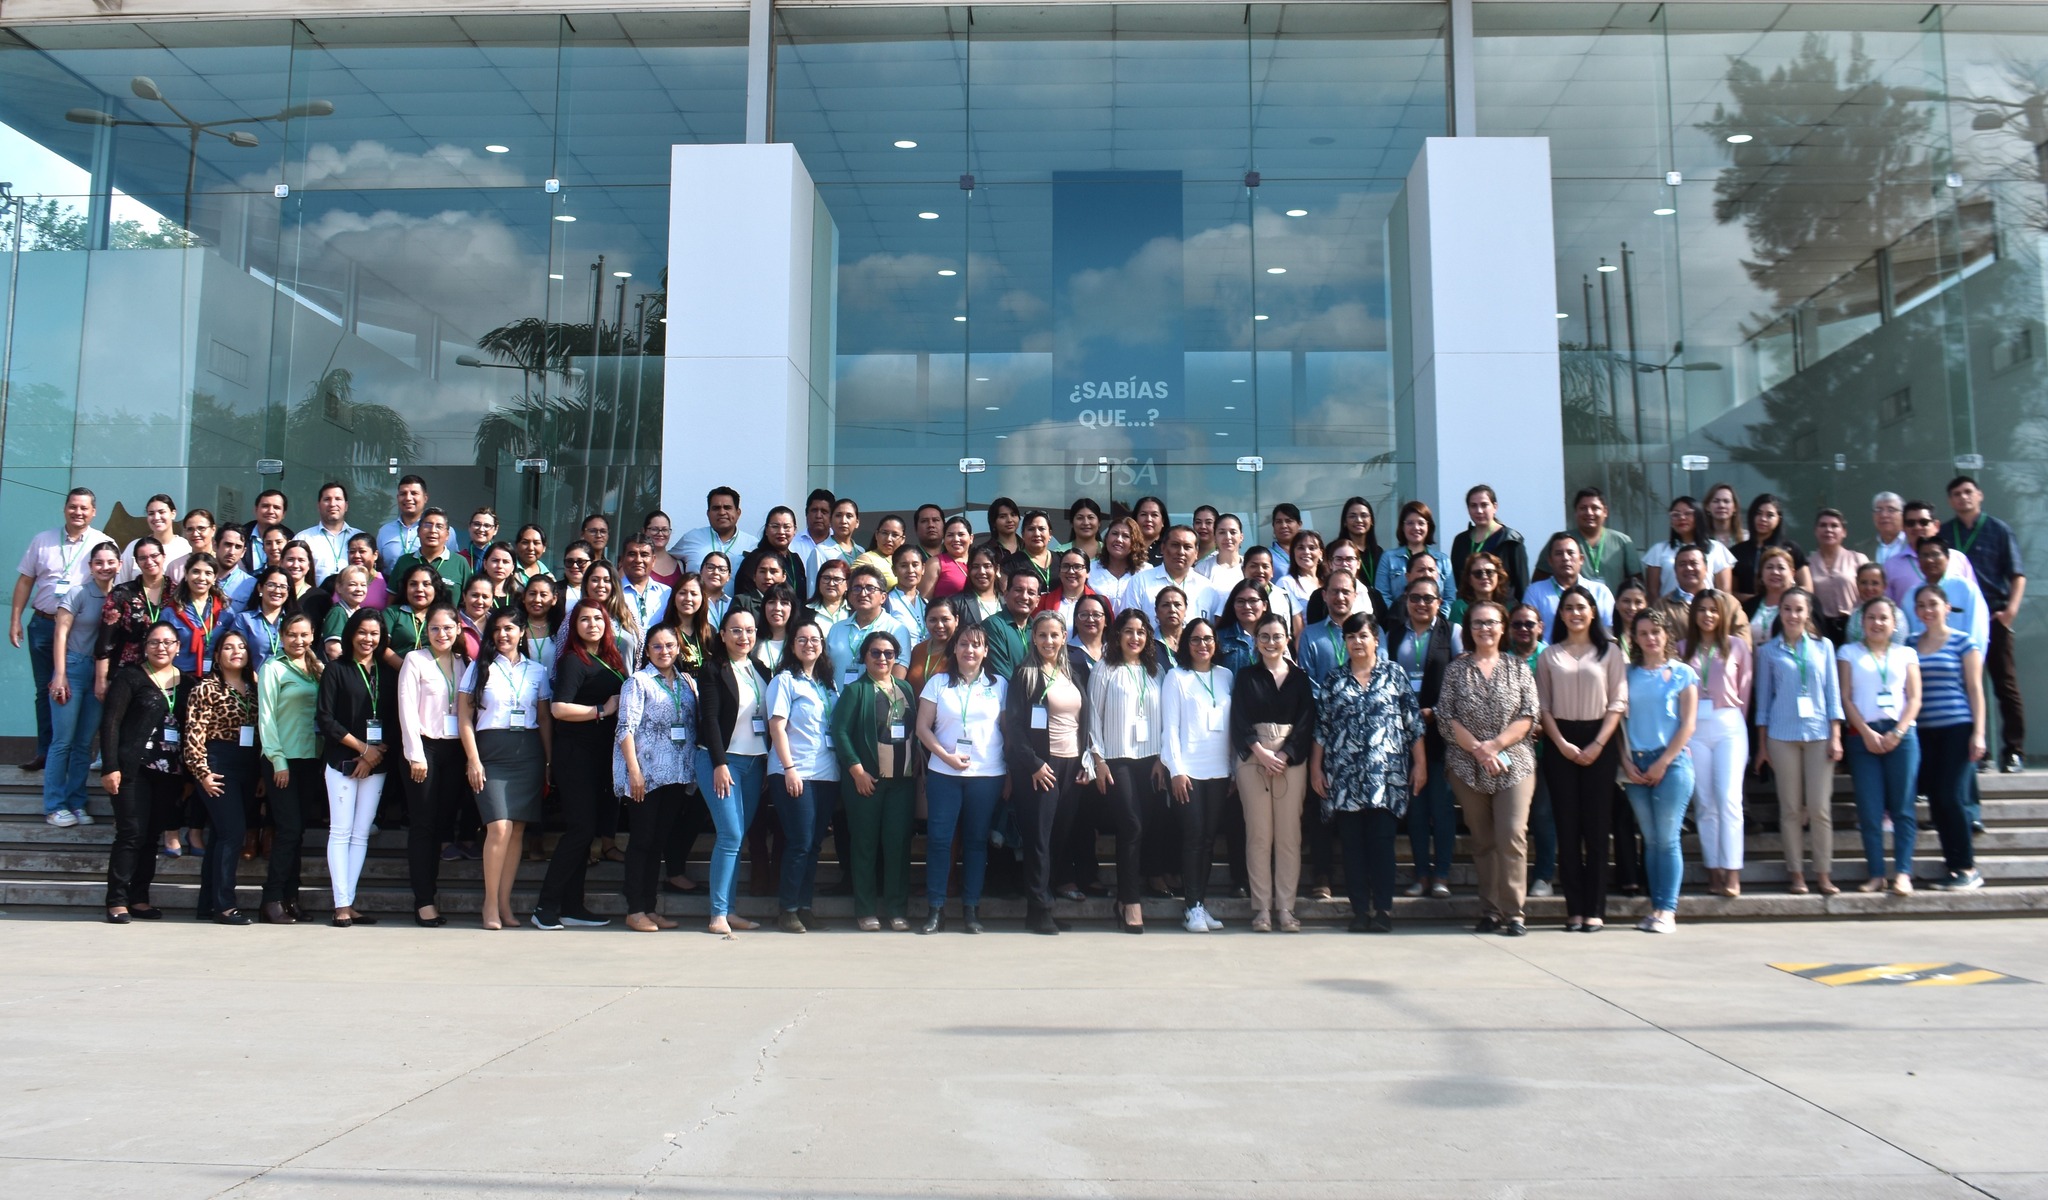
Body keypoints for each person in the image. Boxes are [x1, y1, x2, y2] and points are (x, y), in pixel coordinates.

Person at [1311, 612, 1423, 933]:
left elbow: (1413, 724)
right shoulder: (1334, 680)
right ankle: (1360, 911)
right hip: (1344, 778)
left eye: (1363, 636)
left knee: (1381, 845)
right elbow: (1322, 728)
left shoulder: (1395, 675)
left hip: (1386, 778)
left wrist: (1421, 764)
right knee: (1352, 847)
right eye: (1351, 637)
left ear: (1376, 639)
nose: (1357, 642)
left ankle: (1383, 911)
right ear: (1344, 642)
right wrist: (1316, 769)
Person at [1438, 600, 1541, 936]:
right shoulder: (1456, 670)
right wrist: (1480, 752)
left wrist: (1495, 746)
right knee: (1482, 840)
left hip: (1515, 764)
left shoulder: (1518, 667)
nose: (1485, 628)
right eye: (1478, 623)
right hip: (1467, 766)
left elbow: (1529, 715)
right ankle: (1490, 910)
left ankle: (1514, 913)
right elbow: (1445, 717)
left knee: (1511, 834)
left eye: (1491, 622)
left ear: (1503, 627)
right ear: (1469, 629)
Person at [1537, 586, 1627, 931]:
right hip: (1560, 744)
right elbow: (1543, 705)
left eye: (1581, 607)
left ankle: (1595, 907)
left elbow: (1618, 702)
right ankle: (1574, 908)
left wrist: (1599, 744)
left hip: (1599, 741)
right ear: (1560, 615)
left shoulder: (1610, 653)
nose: (1575, 613)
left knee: (1596, 826)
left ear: (1593, 613)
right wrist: (1559, 742)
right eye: (1568, 607)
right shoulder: (1550, 655)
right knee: (1568, 827)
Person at [533, 601, 626, 930]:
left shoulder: (612, 657)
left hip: (601, 756)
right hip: (575, 755)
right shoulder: (573, 660)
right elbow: (559, 709)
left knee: (589, 835)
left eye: (597, 619)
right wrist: (601, 710)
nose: (592, 625)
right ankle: (546, 906)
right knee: (580, 830)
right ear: (574, 626)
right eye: (584, 619)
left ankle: (573, 906)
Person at [460, 608, 552, 930]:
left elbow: (543, 720)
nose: (503, 635)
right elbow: (464, 719)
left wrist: (549, 761)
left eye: (510, 628)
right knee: (498, 827)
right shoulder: (477, 669)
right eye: (497, 629)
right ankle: (488, 904)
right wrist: (473, 759)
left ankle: (504, 904)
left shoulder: (538, 671)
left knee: (517, 832)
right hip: (491, 753)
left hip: (527, 752)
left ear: (522, 631)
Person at [1002, 610, 1092, 935]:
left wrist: (1086, 761)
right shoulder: (1024, 674)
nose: (1048, 641)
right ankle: (1038, 910)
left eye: (1054, 635)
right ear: (1033, 638)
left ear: (1064, 637)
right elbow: (1013, 725)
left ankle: (1048, 901)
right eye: (1042, 635)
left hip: (1072, 764)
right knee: (1039, 840)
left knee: (1058, 838)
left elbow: (1084, 720)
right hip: (1041, 766)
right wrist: (1035, 764)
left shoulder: (1074, 672)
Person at [14, 487, 115, 769]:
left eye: (84, 508)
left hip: (81, 630)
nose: (78, 512)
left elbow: (110, 586)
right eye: (73, 506)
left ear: (94, 512)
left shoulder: (103, 543)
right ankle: (46, 752)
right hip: (44, 624)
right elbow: (25, 581)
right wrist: (15, 620)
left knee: (82, 689)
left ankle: (78, 751)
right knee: (45, 689)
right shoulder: (43, 540)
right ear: (65, 508)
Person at [1752, 588, 1843, 896]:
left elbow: (1833, 694)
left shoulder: (1824, 647)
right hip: (1781, 736)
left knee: (1819, 808)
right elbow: (1763, 703)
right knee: (1790, 808)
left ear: (1808, 613)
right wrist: (1762, 746)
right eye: (1787, 609)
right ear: (1781, 613)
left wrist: (1837, 735)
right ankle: (1797, 874)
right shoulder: (1768, 652)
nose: (1793, 615)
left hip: (1819, 734)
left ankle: (1823, 873)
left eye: (1799, 610)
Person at [915, 623, 1005, 934]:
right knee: (940, 841)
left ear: (985, 651)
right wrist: (946, 757)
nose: (969, 650)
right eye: (964, 644)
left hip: (987, 774)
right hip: (944, 774)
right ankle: (936, 909)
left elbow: (1007, 730)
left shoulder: (1000, 685)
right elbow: (922, 728)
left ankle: (971, 910)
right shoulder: (938, 683)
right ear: (954, 648)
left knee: (976, 842)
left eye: (976, 645)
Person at [1231, 611, 1316, 933]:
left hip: (1290, 761)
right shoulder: (1246, 676)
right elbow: (1238, 719)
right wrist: (1261, 752)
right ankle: (1262, 909)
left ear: (1287, 639)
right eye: (1264, 636)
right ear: (1256, 641)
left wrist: (1285, 753)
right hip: (1254, 758)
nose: (1270, 642)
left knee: (1288, 837)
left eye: (1277, 636)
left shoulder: (1300, 678)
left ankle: (1286, 908)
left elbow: (1307, 721)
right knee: (1259, 835)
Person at [99, 620, 187, 923]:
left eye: (168, 642)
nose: (161, 647)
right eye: (154, 642)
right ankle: (117, 900)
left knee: (151, 836)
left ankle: (139, 899)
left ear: (178, 647)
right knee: (131, 833)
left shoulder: (187, 683)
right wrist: (110, 767)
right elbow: (110, 723)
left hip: (169, 773)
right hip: (132, 769)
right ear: (145, 647)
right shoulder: (130, 677)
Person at [831, 629, 919, 931]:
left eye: (889, 654)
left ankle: (896, 909)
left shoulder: (905, 689)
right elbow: (839, 731)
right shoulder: (856, 690)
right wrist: (856, 770)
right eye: (876, 653)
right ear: (865, 657)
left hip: (901, 783)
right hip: (866, 782)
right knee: (865, 845)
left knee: (897, 846)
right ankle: (865, 909)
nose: (883, 658)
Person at [1087, 609, 1169, 933]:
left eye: (1141, 632)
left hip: (1150, 760)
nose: (1135, 637)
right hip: (1116, 759)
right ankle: (1130, 900)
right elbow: (1093, 716)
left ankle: (1125, 897)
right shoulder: (1104, 669)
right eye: (1128, 631)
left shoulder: (1156, 670)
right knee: (1131, 825)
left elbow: (1165, 717)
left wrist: (1163, 759)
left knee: (1145, 826)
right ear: (1117, 635)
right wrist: (1098, 759)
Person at [1837, 595, 1922, 896]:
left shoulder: (1907, 654)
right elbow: (1845, 697)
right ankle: (1876, 874)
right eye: (1871, 617)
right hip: (1863, 737)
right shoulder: (1848, 652)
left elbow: (1914, 698)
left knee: (1902, 809)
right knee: (1870, 811)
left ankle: (1903, 873)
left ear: (1894, 622)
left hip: (1902, 736)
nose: (1877, 623)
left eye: (1884, 617)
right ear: (1862, 622)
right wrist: (1866, 733)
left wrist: (1897, 732)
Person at [1621, 608, 1699, 934]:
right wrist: (1626, 762)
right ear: (1634, 639)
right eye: (1643, 633)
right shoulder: (1626, 674)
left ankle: (1668, 910)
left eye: (1656, 631)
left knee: (1667, 840)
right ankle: (1656, 907)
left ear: (1666, 634)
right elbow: (1619, 723)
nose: (1650, 638)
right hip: (1634, 763)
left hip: (1672, 761)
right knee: (1651, 841)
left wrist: (1663, 761)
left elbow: (1689, 724)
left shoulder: (1683, 673)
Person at [616, 624, 695, 931]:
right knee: (642, 840)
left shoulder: (686, 683)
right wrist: (633, 772)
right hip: (645, 775)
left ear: (678, 648)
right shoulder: (638, 681)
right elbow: (625, 728)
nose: (665, 652)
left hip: (675, 773)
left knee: (658, 842)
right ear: (647, 650)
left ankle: (650, 907)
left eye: (670, 645)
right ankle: (635, 908)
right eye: (657, 646)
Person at [1943, 476, 2026, 772]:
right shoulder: (1944, 533)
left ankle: (2013, 750)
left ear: (1980, 494)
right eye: (1956, 494)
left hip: (1994, 616)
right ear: (1950, 500)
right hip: (1958, 620)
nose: (1962, 497)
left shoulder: (1999, 530)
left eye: (1968, 492)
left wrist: (2010, 613)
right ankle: (1979, 752)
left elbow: (2017, 574)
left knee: (2005, 684)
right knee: (1965, 685)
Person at [316, 608, 392, 926]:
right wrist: (363, 750)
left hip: (378, 763)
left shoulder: (388, 672)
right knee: (341, 831)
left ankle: (350, 901)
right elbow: (325, 718)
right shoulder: (336, 669)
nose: (368, 639)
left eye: (374, 633)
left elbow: (397, 716)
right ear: (350, 634)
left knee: (361, 834)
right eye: (362, 632)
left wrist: (376, 753)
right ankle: (341, 906)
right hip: (342, 761)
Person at [696, 607, 769, 936]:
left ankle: (730, 908)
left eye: (750, 631)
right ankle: (718, 914)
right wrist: (719, 762)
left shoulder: (760, 670)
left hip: (754, 763)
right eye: (736, 630)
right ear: (722, 635)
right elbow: (709, 718)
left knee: (737, 839)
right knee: (730, 835)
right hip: (722, 762)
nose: (744, 637)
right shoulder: (713, 670)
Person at [766, 618, 840, 933]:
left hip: (827, 772)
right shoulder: (784, 680)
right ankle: (788, 909)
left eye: (815, 639)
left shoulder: (827, 683)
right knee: (799, 841)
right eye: (802, 639)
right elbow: (776, 727)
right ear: (792, 645)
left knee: (813, 845)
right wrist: (789, 768)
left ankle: (805, 906)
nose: (809, 644)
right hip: (795, 770)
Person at [181, 629, 259, 924]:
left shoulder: (253, 687)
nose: (236, 651)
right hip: (218, 764)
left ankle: (207, 904)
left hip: (247, 765)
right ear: (217, 656)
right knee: (232, 833)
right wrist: (202, 773)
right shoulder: (206, 689)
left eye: (241, 647)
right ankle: (225, 905)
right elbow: (193, 735)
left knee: (219, 839)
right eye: (228, 647)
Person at [1388, 577, 1459, 897]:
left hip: (1441, 731)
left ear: (1439, 601)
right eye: (1415, 598)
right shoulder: (1394, 635)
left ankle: (1441, 873)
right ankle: (1421, 875)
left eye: (1428, 599)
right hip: (1403, 733)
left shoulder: (1453, 633)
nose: (1421, 604)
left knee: (1441, 807)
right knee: (1415, 809)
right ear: (1406, 600)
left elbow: (1461, 679)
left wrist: (1436, 710)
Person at [397, 603, 467, 926]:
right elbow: (407, 709)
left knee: (443, 826)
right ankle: (423, 901)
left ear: (458, 631)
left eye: (448, 628)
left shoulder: (463, 663)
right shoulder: (415, 660)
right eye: (436, 628)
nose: (442, 634)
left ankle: (433, 892)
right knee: (423, 826)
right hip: (424, 750)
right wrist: (416, 754)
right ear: (427, 631)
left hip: (454, 751)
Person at [1913, 584, 1987, 890]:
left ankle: (1967, 867)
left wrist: (1979, 733)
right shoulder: (1909, 644)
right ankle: (1953, 866)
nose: (1928, 610)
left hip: (1957, 728)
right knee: (1936, 799)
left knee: (1950, 795)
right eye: (1921, 605)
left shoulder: (1963, 642)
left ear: (1946, 607)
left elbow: (1975, 689)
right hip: (1924, 731)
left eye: (1933, 604)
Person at [1161, 617, 1232, 933]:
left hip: (1219, 771)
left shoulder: (1226, 676)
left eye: (1208, 639)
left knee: (1207, 840)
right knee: (1192, 837)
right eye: (1195, 639)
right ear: (1185, 644)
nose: (1203, 645)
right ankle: (1190, 907)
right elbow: (1171, 729)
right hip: (1188, 772)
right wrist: (1176, 770)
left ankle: (1200, 904)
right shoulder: (1176, 678)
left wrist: (1231, 768)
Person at [1682, 589, 1753, 898]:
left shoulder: (1737, 646)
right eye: (1702, 610)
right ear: (1694, 615)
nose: (1708, 615)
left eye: (1713, 610)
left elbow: (1746, 693)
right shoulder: (1683, 649)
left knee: (1729, 799)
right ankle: (1714, 870)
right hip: (1696, 728)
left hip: (1728, 725)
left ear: (1722, 615)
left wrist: (1739, 724)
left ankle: (1733, 871)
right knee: (1706, 803)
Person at [44, 542, 120, 825]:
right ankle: (54, 805)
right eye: (98, 562)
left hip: (101, 673)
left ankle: (76, 802)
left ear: (119, 565)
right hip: (73, 668)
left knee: (84, 743)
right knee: (62, 741)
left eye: (110, 561)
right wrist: (60, 674)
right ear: (90, 566)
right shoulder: (77, 592)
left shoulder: (119, 596)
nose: (105, 567)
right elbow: (60, 634)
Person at [256, 613, 321, 924]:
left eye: (304, 634)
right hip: (282, 761)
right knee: (288, 830)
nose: (299, 641)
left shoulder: (315, 668)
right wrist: (277, 759)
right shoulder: (272, 668)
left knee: (298, 833)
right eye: (292, 634)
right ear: (282, 637)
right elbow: (266, 718)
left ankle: (290, 899)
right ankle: (271, 899)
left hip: (310, 758)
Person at [1122, 524, 1221, 631]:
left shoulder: (1207, 588)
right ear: (1163, 548)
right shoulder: (1140, 582)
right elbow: (1127, 624)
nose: (1181, 552)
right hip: (1151, 647)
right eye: (1175, 545)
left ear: (1196, 553)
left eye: (1187, 547)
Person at [826, 564, 913, 686]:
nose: (863, 593)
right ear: (849, 596)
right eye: (857, 588)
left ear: (883, 597)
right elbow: (825, 670)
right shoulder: (836, 629)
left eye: (870, 588)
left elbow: (897, 678)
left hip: (876, 702)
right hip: (838, 703)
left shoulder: (896, 629)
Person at [1522, 533, 1615, 635]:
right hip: (1549, 650)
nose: (1565, 558)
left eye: (1570, 553)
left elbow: (1610, 630)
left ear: (1581, 559)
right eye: (1559, 553)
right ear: (1550, 561)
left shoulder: (1600, 592)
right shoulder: (1535, 592)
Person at [1643, 497, 1735, 598]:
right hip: (1668, 611)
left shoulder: (1716, 548)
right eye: (1675, 514)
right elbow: (1653, 592)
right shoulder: (1659, 550)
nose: (1681, 517)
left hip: (1706, 611)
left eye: (1688, 513)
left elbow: (1725, 591)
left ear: (1698, 516)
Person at [1450, 484, 1530, 597]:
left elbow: (1522, 584)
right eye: (1473, 506)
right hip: (1470, 609)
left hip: (1504, 609)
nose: (1479, 510)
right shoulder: (1460, 541)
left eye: (1484, 505)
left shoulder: (1511, 540)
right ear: (1468, 509)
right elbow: (1458, 581)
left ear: (1495, 507)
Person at [1729, 493, 1812, 600]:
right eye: (1758, 513)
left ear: (1779, 518)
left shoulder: (1790, 549)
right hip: (1746, 611)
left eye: (1770, 515)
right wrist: (1757, 601)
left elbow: (1808, 588)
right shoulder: (1738, 551)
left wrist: (1778, 597)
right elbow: (1730, 592)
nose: (1763, 519)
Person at [1374, 501, 1451, 616]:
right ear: (1402, 527)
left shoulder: (1442, 560)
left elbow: (1450, 598)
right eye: (1410, 523)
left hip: (1435, 625)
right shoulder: (1388, 558)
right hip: (1399, 624)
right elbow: (1382, 595)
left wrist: (1436, 619)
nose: (1416, 527)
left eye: (1421, 523)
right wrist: (1402, 616)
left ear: (1428, 526)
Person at [1808, 508, 1869, 644]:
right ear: (1816, 531)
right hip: (1819, 627)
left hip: (1854, 624)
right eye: (1823, 525)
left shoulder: (1858, 559)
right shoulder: (1808, 563)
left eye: (1834, 525)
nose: (1828, 529)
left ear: (1844, 532)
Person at [1568, 487, 1642, 596]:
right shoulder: (1563, 541)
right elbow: (1541, 579)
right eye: (1583, 508)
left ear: (1605, 511)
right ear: (1576, 512)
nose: (1589, 512)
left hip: (1615, 610)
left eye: (1595, 508)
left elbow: (1637, 584)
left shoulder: (1622, 542)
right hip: (1576, 609)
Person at [388, 507, 472, 595]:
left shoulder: (460, 563)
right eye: (428, 525)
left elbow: (467, 600)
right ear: (418, 531)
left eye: (439, 526)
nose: (432, 530)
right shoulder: (403, 561)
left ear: (447, 535)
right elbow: (392, 599)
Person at [980, 565, 1042, 679]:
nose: (1024, 597)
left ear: (1038, 600)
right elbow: (1001, 673)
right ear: (1006, 594)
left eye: (1031, 593)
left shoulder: (1038, 629)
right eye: (1018, 590)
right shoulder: (993, 625)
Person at [116, 494, 193, 584]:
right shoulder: (134, 547)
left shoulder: (186, 548)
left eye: (162, 512)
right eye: (151, 513)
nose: (156, 517)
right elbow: (120, 583)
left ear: (173, 514)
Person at [303, 482, 362, 585]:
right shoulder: (304, 539)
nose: (332, 504)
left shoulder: (360, 539)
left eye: (338, 499)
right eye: (327, 499)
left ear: (346, 506)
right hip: (314, 599)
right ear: (318, 506)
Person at [1742, 547, 1798, 647]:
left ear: (1792, 573)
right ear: (1761, 574)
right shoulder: (1749, 606)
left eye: (1781, 568)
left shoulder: (1804, 604)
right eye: (1769, 567)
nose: (1774, 572)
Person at [318, 565, 375, 660]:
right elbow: (333, 649)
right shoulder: (338, 612)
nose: (359, 589)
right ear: (339, 587)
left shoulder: (359, 612)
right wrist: (352, 668)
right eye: (352, 584)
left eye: (363, 585)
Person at [1330, 496, 1385, 591]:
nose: (1359, 520)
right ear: (1345, 522)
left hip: (1376, 601)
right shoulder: (1334, 549)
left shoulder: (1379, 552)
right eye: (1352, 516)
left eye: (1364, 515)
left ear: (1371, 521)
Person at [1447, 551, 1513, 630]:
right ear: (1469, 579)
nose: (1484, 577)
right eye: (1478, 573)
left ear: (1498, 576)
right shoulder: (1459, 607)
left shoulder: (1509, 607)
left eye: (1489, 572)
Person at [376, 474, 429, 570]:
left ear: (425, 498)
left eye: (414, 493)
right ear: (397, 497)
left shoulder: (440, 531)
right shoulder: (384, 531)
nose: (408, 498)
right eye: (403, 494)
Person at [1002, 510, 1057, 595]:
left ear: (1050, 534)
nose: (1037, 534)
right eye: (1031, 529)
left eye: (1041, 529)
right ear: (1023, 535)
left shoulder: (1062, 560)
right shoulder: (1010, 563)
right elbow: (1007, 597)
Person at [1090, 517, 1142, 598]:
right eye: (1114, 533)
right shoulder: (1090, 570)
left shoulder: (1145, 572)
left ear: (1134, 543)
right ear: (1106, 538)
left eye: (1126, 536)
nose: (1119, 539)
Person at [1198, 511, 1248, 596]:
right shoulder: (1202, 569)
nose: (1228, 537)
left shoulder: (1249, 566)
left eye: (1233, 532)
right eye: (1222, 532)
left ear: (1241, 537)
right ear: (1214, 537)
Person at [1279, 529, 1326, 617]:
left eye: (1312, 548)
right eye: (1301, 548)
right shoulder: (1286, 583)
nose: (1306, 552)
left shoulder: (1329, 582)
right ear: (1293, 552)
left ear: (1321, 554)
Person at [791, 489, 836, 576]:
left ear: (832, 516)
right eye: (814, 510)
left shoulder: (838, 545)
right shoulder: (792, 544)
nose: (818, 516)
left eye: (824, 511)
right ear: (806, 513)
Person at [926, 516, 973, 601]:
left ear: (971, 538)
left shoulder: (979, 563)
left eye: (961, 534)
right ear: (944, 539)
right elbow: (923, 601)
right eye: (950, 535)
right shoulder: (935, 563)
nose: (956, 539)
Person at [1842, 562, 1890, 644]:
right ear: (1857, 585)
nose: (1869, 588)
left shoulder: (1895, 616)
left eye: (1875, 583)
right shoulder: (1855, 615)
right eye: (1864, 583)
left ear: (1884, 586)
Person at [214, 526, 255, 612]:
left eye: (238, 547)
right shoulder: (201, 578)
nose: (232, 552)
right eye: (228, 544)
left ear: (243, 552)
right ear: (215, 546)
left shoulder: (251, 585)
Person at [1703, 482, 1746, 550]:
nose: (1721, 505)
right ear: (1707, 506)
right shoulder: (1701, 539)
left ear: (1735, 507)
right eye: (1716, 501)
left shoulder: (1746, 538)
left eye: (1726, 501)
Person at [512, 524, 553, 590]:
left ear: (544, 547)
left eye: (536, 543)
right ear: (517, 545)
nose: (530, 548)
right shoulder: (507, 571)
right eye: (525, 542)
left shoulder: (549, 577)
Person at [984, 496, 1024, 561]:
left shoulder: (1027, 546)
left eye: (1013, 515)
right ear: (994, 522)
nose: (1009, 520)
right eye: (1002, 516)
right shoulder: (986, 550)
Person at [1267, 503, 1303, 576]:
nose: (1283, 526)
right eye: (1278, 522)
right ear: (1273, 526)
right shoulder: (1267, 556)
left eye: (1289, 521)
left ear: (1299, 524)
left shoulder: (1308, 552)